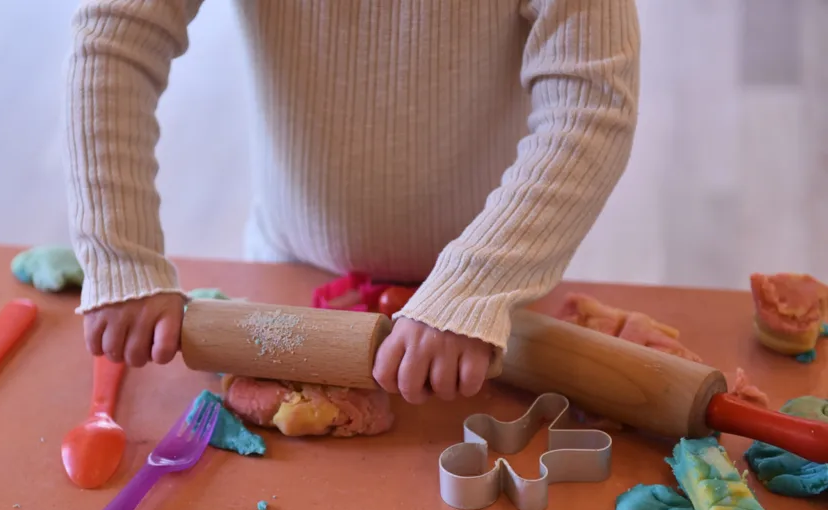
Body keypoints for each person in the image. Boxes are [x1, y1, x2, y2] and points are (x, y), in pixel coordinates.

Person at [63, 0, 640, 405]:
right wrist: (121, 257)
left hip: (496, 290)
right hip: (291, 271)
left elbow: (588, 104)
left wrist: (473, 287)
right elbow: (113, 41)